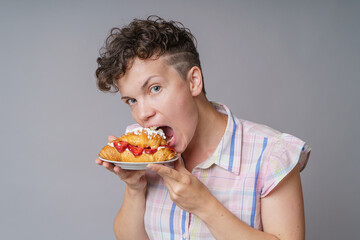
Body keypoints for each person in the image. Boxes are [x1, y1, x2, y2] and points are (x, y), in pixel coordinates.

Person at [95, 15, 311, 240]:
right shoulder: (145, 153)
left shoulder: (271, 155)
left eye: (155, 88)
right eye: (132, 100)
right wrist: (134, 188)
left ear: (194, 81)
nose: (142, 114)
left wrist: (205, 206)